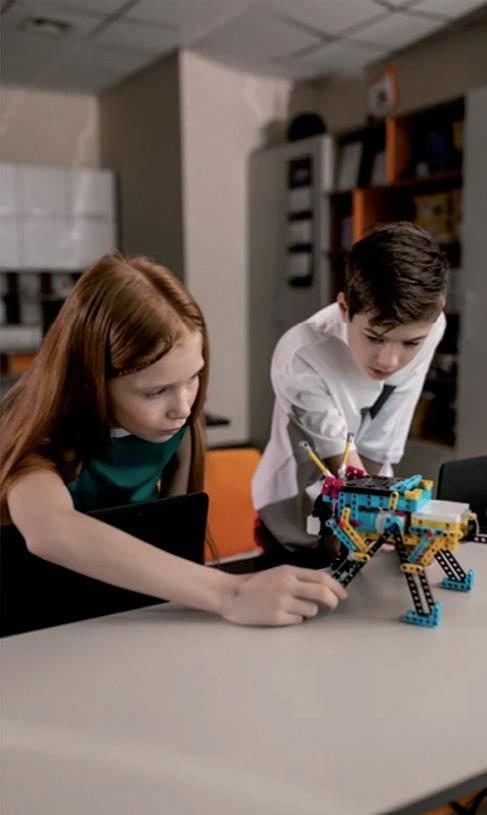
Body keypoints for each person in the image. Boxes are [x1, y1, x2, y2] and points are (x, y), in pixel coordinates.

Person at [0, 255, 346, 626]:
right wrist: (231, 593)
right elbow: (50, 529)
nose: (183, 407)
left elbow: (174, 539)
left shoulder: (176, 425)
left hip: (128, 616)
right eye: (156, 391)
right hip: (38, 620)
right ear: (92, 379)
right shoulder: (36, 437)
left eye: (192, 378)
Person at [252, 222, 448, 564]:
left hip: (364, 508)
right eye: (374, 337)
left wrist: (384, 523)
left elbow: (380, 444)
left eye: (410, 343)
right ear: (344, 308)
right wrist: (373, 522)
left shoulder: (431, 328)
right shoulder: (302, 356)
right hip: (293, 521)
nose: (390, 360)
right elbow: (344, 470)